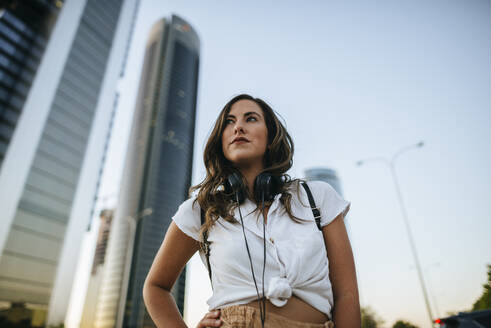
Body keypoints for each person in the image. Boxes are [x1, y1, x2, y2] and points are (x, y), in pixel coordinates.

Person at [143, 94, 361, 327]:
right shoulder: (201, 210)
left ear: (270, 137)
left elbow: (346, 295)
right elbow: (155, 287)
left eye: (251, 119)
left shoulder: (316, 197)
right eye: (229, 122)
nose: (238, 127)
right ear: (221, 141)